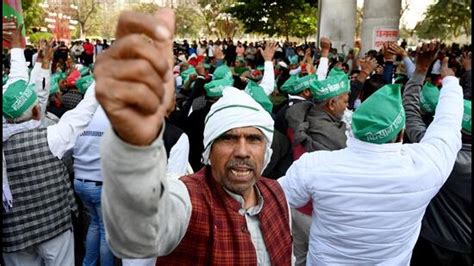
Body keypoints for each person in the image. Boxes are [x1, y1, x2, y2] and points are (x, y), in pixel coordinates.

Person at [94, 9, 292, 264]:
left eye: (253, 139)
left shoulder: (276, 194)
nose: (242, 151)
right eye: (228, 138)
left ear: (267, 148)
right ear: (208, 150)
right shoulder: (188, 197)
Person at [279, 42, 464, 265]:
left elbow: (273, 200)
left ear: (353, 127)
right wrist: (450, 81)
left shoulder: (315, 166)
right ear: (401, 134)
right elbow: (448, 124)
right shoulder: (426, 166)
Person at [2, 19, 99, 266]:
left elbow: (18, 85)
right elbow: (85, 110)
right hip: (54, 229)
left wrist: (18, 50)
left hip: (14, 239)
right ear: (37, 113)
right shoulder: (51, 138)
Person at [403, 56, 472, 265]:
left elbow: (410, 111)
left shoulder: (435, 149)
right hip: (467, 247)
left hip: (429, 240)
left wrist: (419, 73)